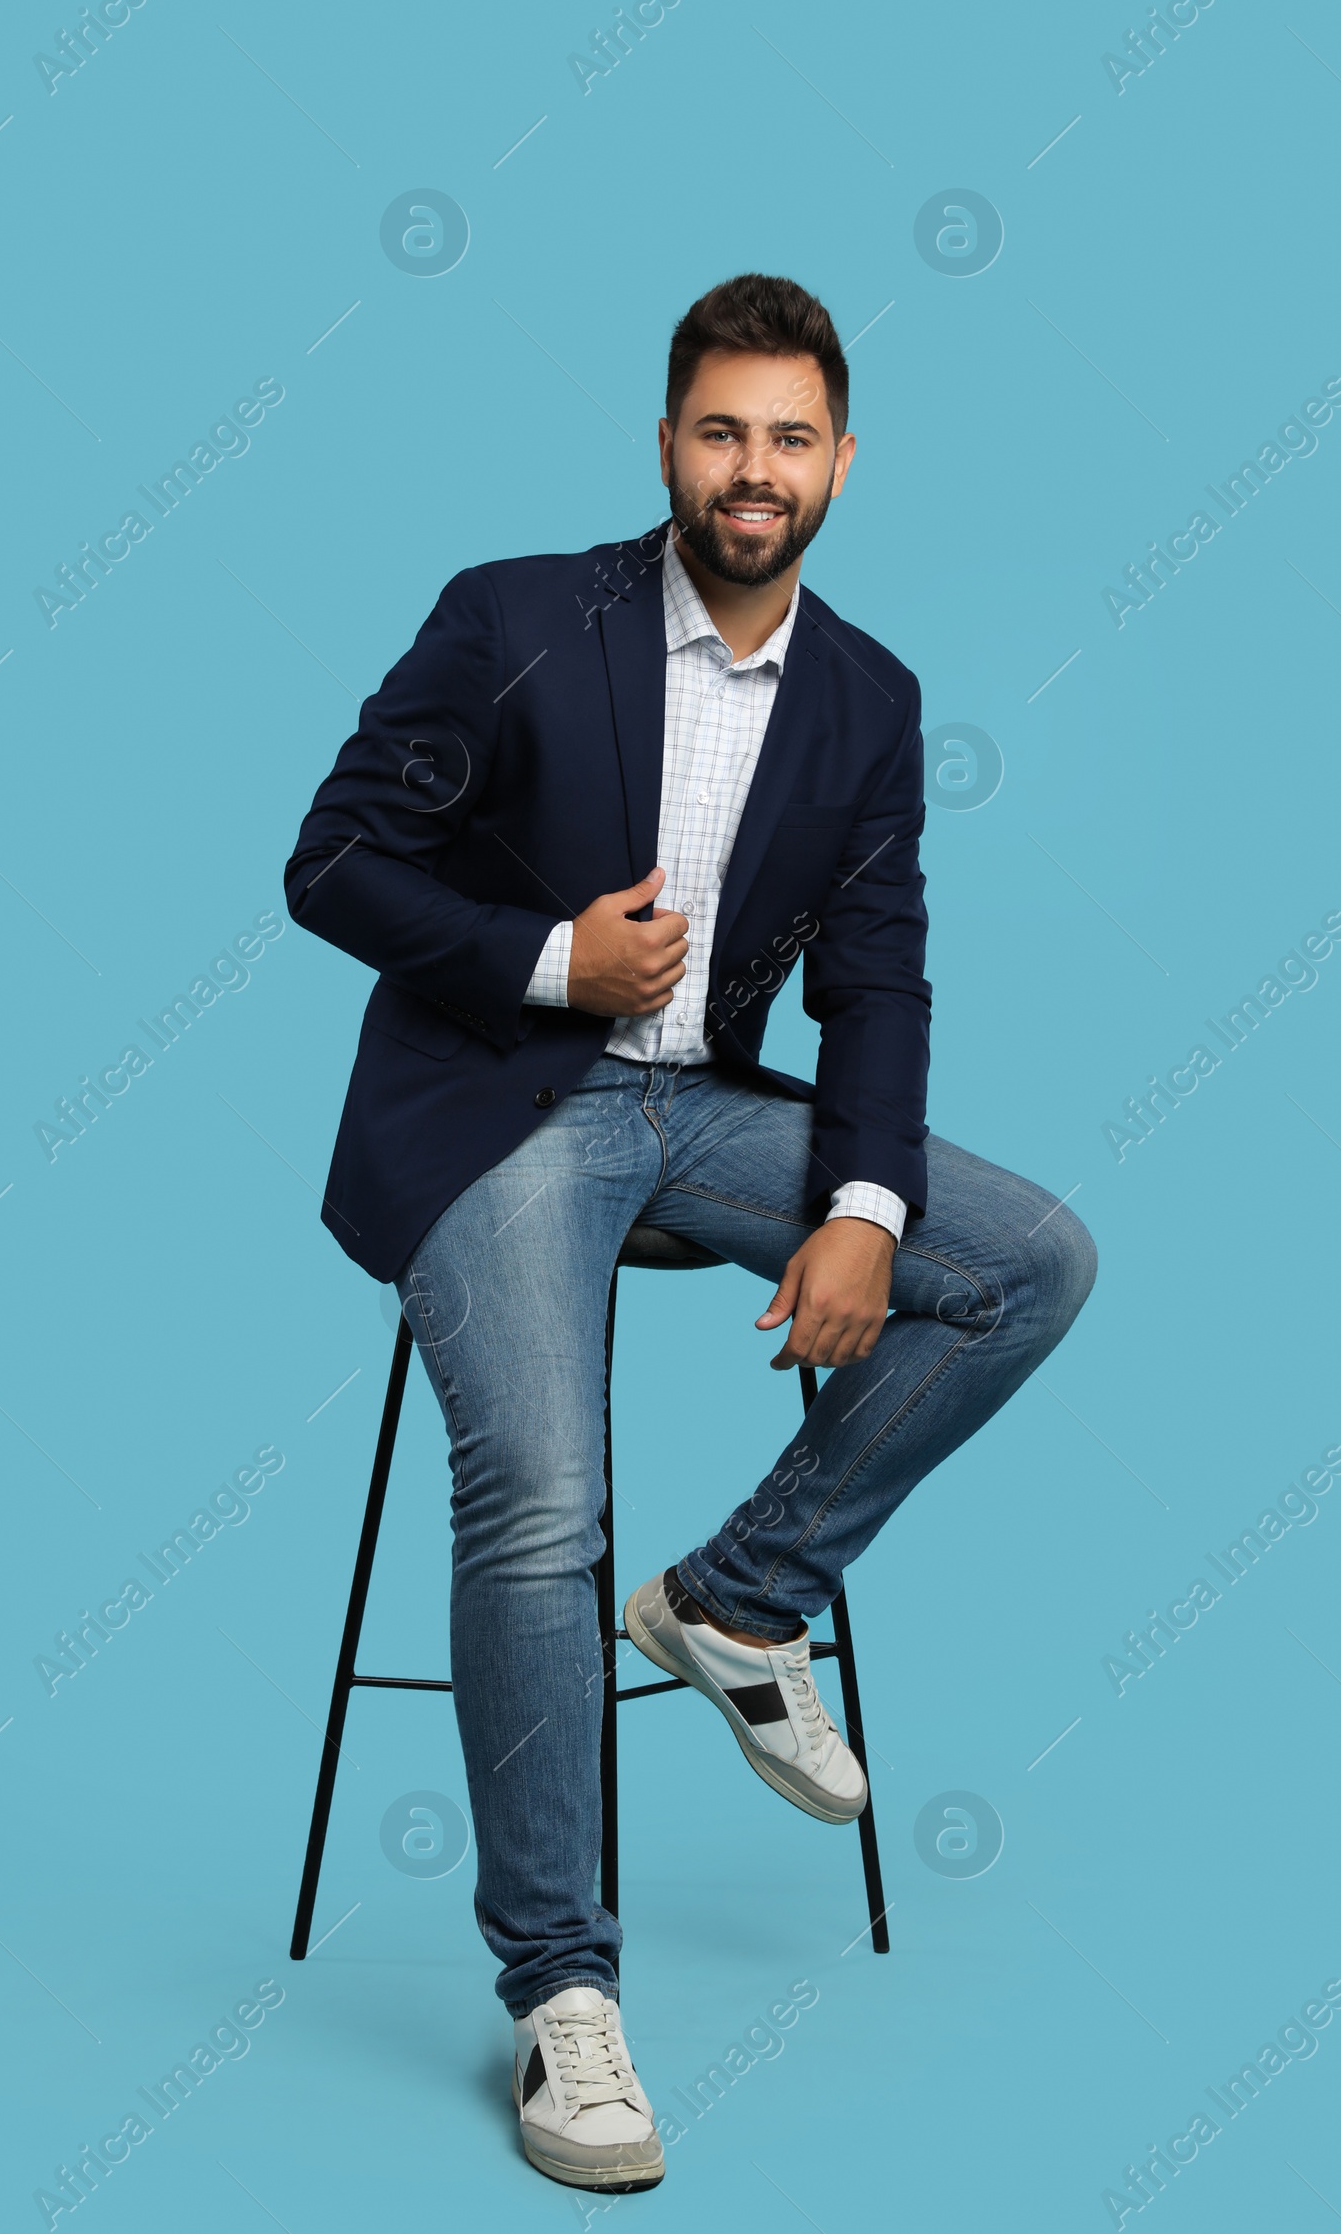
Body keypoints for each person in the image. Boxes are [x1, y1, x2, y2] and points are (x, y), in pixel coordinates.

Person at [284, 273, 1096, 2194]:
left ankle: (736, 1600)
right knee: (541, 1504)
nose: (756, 470)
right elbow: (332, 859)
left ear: (837, 464)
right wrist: (553, 958)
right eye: (722, 431)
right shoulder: (515, 617)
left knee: (1031, 1262)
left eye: (791, 438)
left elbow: (880, 981)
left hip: (705, 1114)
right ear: (667, 446)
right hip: (504, 1105)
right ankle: (562, 1992)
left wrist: (867, 1210)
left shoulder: (871, 698)